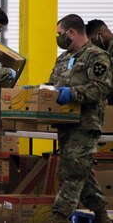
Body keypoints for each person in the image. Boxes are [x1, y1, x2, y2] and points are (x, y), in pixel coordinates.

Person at [48, 14, 112, 223]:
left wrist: (72, 94)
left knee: (72, 172)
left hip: (86, 124)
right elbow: (53, 84)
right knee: (81, 170)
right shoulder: (63, 59)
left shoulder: (97, 57)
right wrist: (41, 91)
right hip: (65, 124)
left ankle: (59, 216)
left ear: (71, 33)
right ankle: (102, 215)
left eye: (60, 34)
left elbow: (101, 88)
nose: (58, 38)